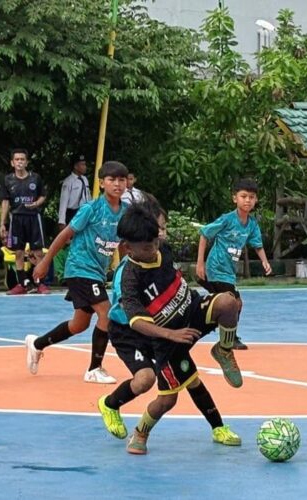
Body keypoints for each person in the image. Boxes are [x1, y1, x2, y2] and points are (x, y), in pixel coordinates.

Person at [97, 202, 242, 454]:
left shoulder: (162, 248)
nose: (154, 249)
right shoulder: (129, 278)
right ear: (127, 248)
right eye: (146, 246)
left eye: (155, 241)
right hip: (152, 334)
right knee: (167, 392)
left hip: (188, 313)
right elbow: (138, 322)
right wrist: (171, 335)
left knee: (229, 302)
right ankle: (138, 431)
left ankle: (224, 350)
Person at [24, 161, 129, 384]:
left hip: (97, 272)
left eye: (121, 180)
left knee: (79, 324)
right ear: (102, 183)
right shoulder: (91, 209)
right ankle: (94, 368)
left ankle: (37, 344)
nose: (117, 184)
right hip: (80, 268)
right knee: (106, 312)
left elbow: (124, 243)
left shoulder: (126, 212)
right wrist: (44, 262)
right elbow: (65, 235)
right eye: (112, 180)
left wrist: (125, 265)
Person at [195, 178, 271, 351]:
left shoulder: (251, 224)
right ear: (234, 198)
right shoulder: (227, 220)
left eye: (251, 197)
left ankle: (216, 328)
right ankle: (230, 339)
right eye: (243, 196)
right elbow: (204, 234)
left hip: (229, 272)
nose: (247, 200)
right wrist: (200, 263)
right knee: (234, 302)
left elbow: (257, 244)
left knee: (230, 303)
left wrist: (265, 261)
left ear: (256, 200)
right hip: (215, 268)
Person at [0, 148, 49, 295]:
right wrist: (2, 223)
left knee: (38, 252)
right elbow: (5, 202)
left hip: (33, 218)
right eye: (17, 160)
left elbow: (42, 196)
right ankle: (22, 284)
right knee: (18, 252)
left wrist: (36, 204)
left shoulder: (35, 178)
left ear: (26, 162)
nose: (20, 162)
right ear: (12, 163)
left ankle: (40, 283)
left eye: (22, 159)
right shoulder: (8, 180)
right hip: (16, 219)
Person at [57, 153, 91, 230]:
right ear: (76, 166)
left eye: (85, 164)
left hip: (84, 212)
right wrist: (61, 221)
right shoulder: (68, 181)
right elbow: (63, 202)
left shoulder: (85, 179)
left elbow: (88, 196)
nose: (85, 167)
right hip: (72, 213)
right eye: (82, 165)